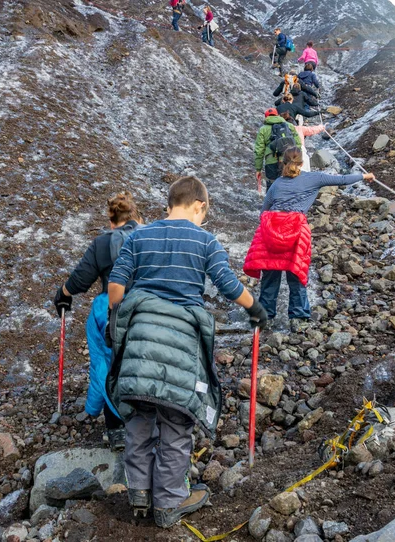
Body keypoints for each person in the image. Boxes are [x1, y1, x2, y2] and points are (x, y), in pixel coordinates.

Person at [106, 177, 268, 528]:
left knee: (139, 416)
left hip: (140, 341)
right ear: (199, 206)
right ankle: (168, 503)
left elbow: (115, 288)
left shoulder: (139, 236)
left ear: (170, 203)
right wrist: (255, 307)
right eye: (203, 214)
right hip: (182, 343)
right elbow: (228, 285)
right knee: (176, 420)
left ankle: (139, 492)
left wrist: (121, 317)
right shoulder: (205, 240)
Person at [244, 148, 374, 331]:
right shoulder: (314, 178)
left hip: (271, 232)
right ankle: (298, 319)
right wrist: (364, 176)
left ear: (282, 162)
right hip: (296, 231)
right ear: (302, 163)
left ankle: (265, 318)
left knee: (270, 276)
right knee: (296, 273)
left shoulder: (276, 185)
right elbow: (342, 180)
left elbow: (263, 211)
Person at [53, 192, 142, 451]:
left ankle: (114, 426)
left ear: (111, 220)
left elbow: (79, 281)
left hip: (111, 310)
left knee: (106, 361)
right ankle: (146, 420)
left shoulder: (103, 243)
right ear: (135, 216)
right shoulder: (149, 237)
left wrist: (63, 295)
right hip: (146, 308)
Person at [254, 108, 302, 192]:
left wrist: (258, 169)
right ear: (277, 115)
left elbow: (259, 151)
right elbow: (298, 144)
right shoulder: (289, 126)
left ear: (266, 117)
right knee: (289, 184)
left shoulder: (263, 129)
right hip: (288, 160)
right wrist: (297, 160)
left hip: (271, 161)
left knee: (272, 186)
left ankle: (271, 204)